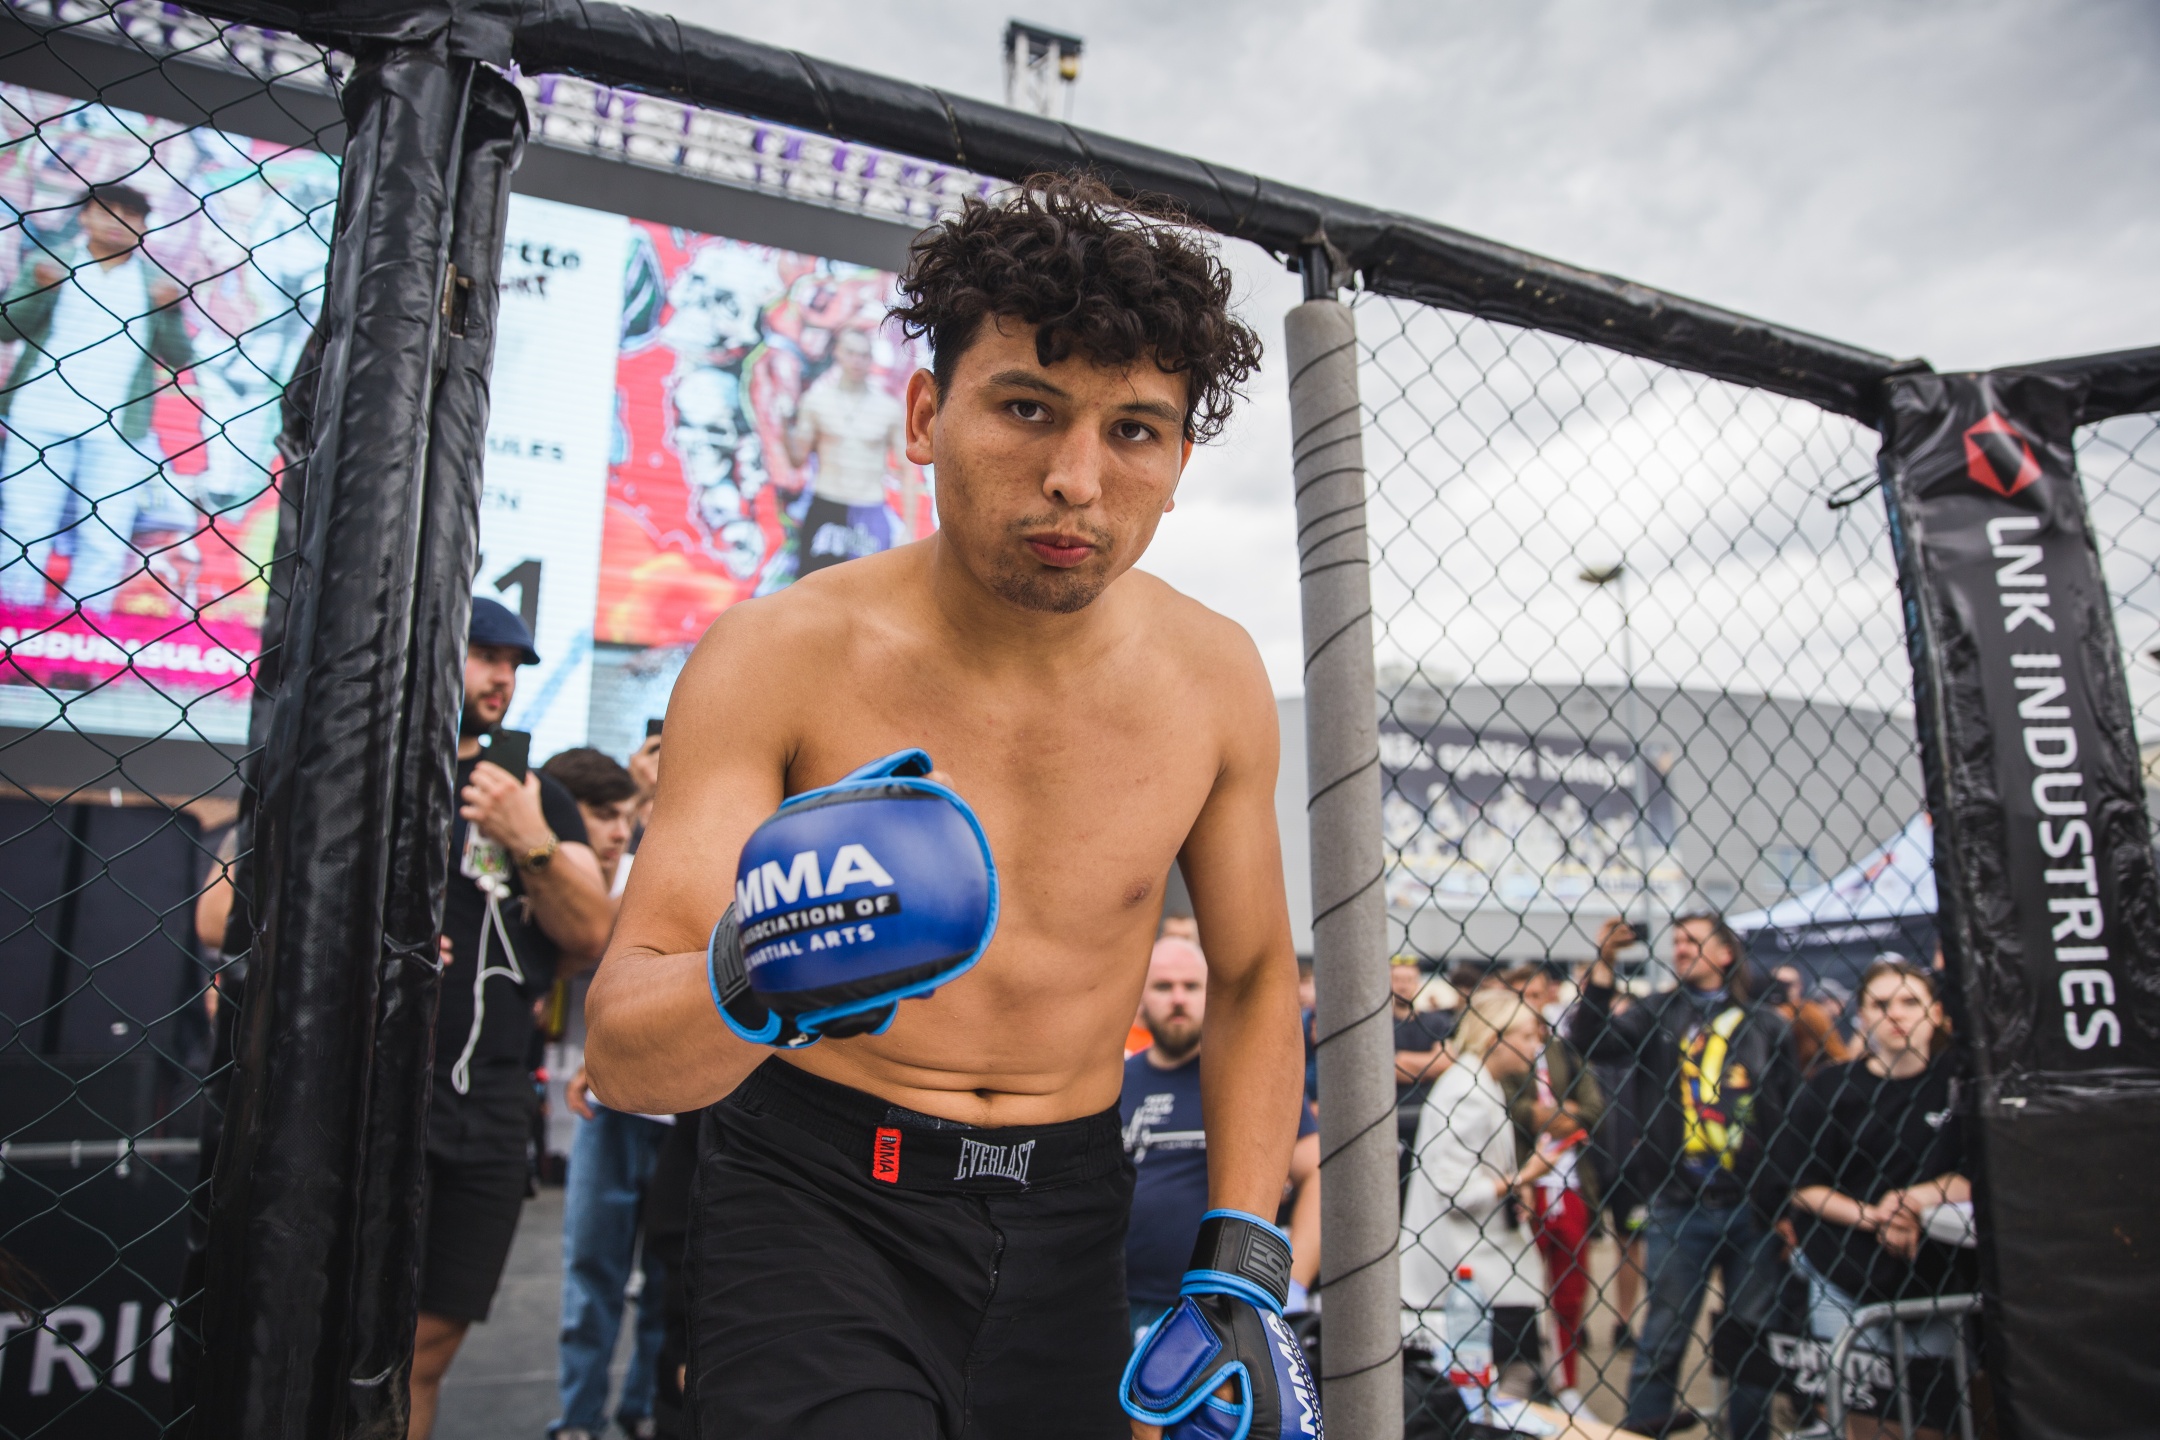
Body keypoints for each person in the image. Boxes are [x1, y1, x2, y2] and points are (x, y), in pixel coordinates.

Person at [581, 174, 1310, 1440]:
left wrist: (1242, 1259)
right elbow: (625, 1051)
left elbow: (1251, 976)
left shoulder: (1215, 680)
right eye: (1027, 409)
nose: (1076, 479)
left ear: (1180, 463)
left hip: (1072, 1214)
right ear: (924, 415)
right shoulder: (776, 657)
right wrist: (757, 972)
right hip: (817, 1198)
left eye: (1135, 431)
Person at [408, 599, 614, 1440]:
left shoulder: (537, 796)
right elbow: (221, 915)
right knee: (344, 1330)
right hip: (378, 1090)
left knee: (427, 1349)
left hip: (490, 1101)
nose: (500, 678)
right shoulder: (380, 766)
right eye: (484, 656)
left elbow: (590, 932)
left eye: (513, 664)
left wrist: (526, 836)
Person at [1565, 915, 1797, 1440]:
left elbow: (1788, 1117)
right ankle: (1642, 1433)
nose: (1681, 949)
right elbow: (1591, 1040)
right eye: (1676, 942)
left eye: (1693, 940)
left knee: (1750, 1343)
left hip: (1753, 1209)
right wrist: (1604, 964)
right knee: (1661, 1340)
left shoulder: (1766, 1024)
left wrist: (1785, 1204)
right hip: (1678, 1203)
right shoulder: (1658, 1012)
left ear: (1725, 953)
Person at [1769, 960, 1971, 1440]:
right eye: (1880, 1004)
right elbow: (1802, 1184)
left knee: (1931, 1416)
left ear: (1936, 1012)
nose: (1896, 1014)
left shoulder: (1961, 1086)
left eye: (1910, 1002)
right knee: (1856, 1414)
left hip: (1937, 1278)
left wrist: (1912, 1201)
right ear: (1861, 1015)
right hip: (1843, 1273)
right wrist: (1877, 1217)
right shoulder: (1830, 1087)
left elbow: (1975, 1174)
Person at [538, 747, 669, 1440]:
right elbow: (592, 936)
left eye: (624, 816)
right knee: (592, 1271)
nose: (617, 830)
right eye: (604, 816)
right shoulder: (599, 867)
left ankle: (642, 1408)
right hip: (615, 1096)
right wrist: (644, 807)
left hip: (687, 1104)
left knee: (669, 1280)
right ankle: (579, 1420)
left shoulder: (702, 840)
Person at [0, 182, 193, 611]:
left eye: (131, 215)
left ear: (145, 226)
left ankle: (83, 629)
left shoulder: (156, 284)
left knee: (106, 533)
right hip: (38, 413)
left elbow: (181, 356)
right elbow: (7, 331)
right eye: (107, 211)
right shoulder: (49, 265)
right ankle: (13, 623)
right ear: (84, 216)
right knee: (24, 526)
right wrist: (38, 289)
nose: (118, 222)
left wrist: (170, 309)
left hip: (118, 429)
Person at [1121, 936, 1320, 1340]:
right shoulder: (1115, 1081)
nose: (1178, 999)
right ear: (1141, 997)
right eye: (1163, 986)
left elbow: (1318, 1173)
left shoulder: (1246, 1077)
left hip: (1219, 1314)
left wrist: (1295, 1283)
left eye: (1191, 986)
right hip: (1120, 1307)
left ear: (1210, 992)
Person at [1400, 986, 1554, 1392]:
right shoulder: (1468, 1093)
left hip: (1472, 1275)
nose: (1534, 1045)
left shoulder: (1474, 1083)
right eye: (1526, 1035)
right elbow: (1455, 1192)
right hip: (1470, 1279)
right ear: (1494, 1039)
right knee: (1502, 1387)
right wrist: (1524, 1176)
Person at [1497, 965, 1604, 1413]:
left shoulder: (1563, 1050)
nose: (1530, 1002)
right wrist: (1559, 1113)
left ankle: (1566, 1384)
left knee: (1570, 1290)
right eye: (1520, 994)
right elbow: (1515, 1108)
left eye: (1537, 993)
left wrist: (1556, 1115)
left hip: (1570, 1183)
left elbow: (1593, 1107)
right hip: (1525, 1182)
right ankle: (1524, 1380)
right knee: (1523, 1290)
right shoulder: (1504, 1052)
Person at [784, 326, 909, 575]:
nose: (857, 361)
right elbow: (797, 459)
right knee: (813, 590)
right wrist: (782, 426)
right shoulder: (815, 401)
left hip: (870, 510)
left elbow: (906, 470)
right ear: (837, 353)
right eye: (851, 353)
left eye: (863, 355)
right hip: (826, 505)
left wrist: (910, 528)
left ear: (871, 359)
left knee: (869, 590)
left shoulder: (889, 409)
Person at [1772, 963, 1853, 1077]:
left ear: (1800, 986)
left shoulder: (1810, 1013)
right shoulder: (1756, 1012)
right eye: (1776, 983)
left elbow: (1841, 1057)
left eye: (1788, 984)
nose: (1782, 988)